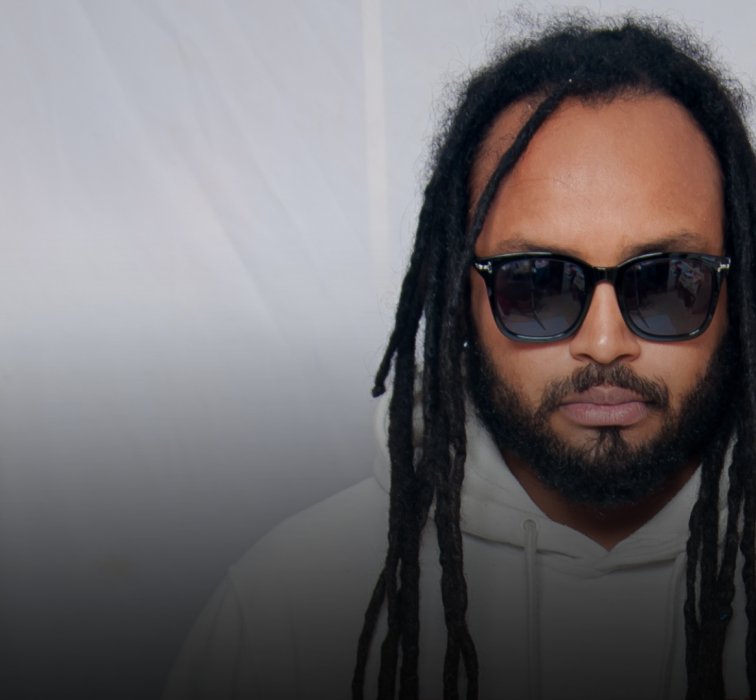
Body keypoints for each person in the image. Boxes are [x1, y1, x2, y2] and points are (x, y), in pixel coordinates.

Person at [163, 16, 755, 700]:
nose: (603, 341)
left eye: (668, 282)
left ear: (737, 292)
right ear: (460, 298)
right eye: (536, 283)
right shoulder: (286, 609)